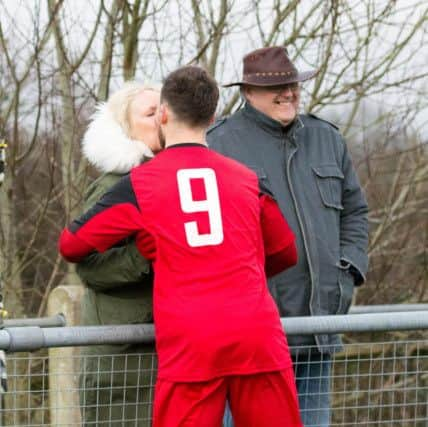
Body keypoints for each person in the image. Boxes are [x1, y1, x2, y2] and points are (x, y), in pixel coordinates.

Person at [59, 65, 303, 427]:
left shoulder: (140, 184)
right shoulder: (247, 178)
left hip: (192, 341)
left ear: (163, 114)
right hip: (256, 333)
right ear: (213, 116)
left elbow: (72, 244)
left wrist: (151, 251)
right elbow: (286, 251)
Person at [207, 46, 369, 427]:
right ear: (247, 92)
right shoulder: (218, 145)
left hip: (318, 328)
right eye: (276, 87)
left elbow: (356, 212)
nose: (289, 93)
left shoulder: (326, 137)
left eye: (292, 84)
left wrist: (346, 272)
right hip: (252, 339)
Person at [76, 82, 161, 426]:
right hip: (122, 362)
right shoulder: (114, 186)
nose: (162, 119)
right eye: (150, 113)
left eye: (165, 111)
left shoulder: (172, 180)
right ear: (127, 128)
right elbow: (88, 265)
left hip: (163, 350)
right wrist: (142, 256)